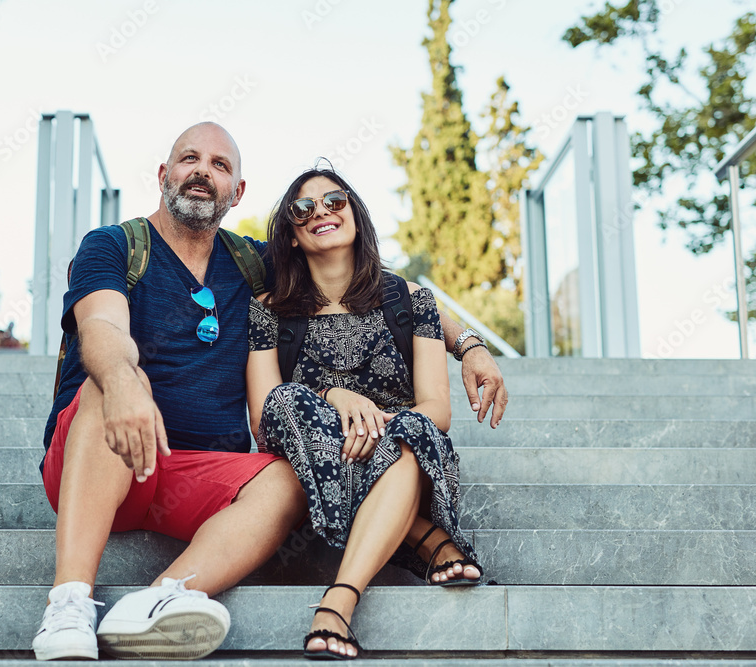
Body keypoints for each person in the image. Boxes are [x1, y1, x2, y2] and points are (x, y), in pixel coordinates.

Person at [34, 123, 508, 662]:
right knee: (111, 382)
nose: (202, 172)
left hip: (199, 473)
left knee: (287, 477)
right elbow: (101, 329)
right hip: (99, 452)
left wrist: (467, 344)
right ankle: (70, 602)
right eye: (189, 159)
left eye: (219, 165)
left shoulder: (250, 263)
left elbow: (373, 279)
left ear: (237, 192)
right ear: (165, 175)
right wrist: (122, 380)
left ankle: (159, 601)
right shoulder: (114, 245)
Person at [246, 168, 483, 660]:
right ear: (290, 235)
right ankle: (423, 535)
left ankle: (339, 601)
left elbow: (436, 410)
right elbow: (264, 420)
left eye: (334, 200)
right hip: (315, 460)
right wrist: (335, 397)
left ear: (355, 212)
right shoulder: (267, 310)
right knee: (288, 403)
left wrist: (375, 423)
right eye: (303, 208)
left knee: (410, 433)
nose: (322, 212)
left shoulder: (413, 300)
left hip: (403, 453)